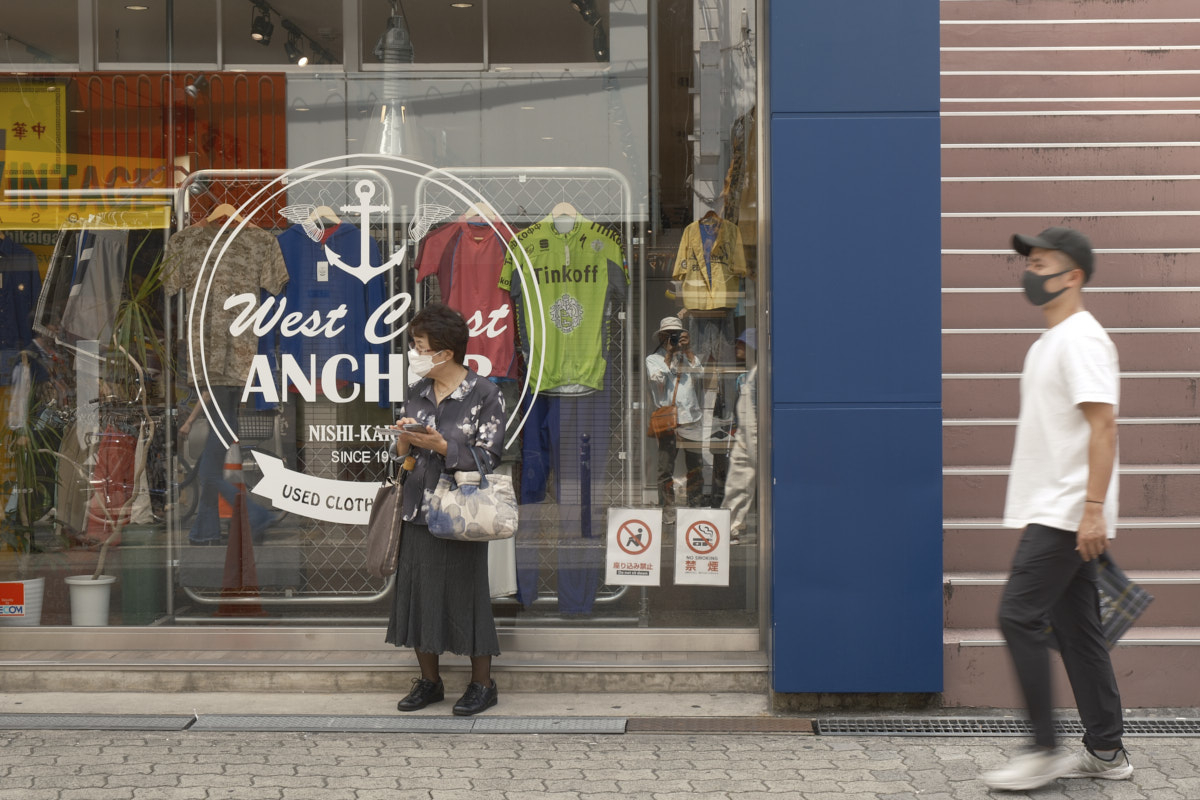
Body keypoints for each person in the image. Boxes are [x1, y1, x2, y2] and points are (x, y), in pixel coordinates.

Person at [981, 228, 1130, 791]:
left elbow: (1104, 426)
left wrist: (1092, 508)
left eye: (1042, 263)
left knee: (1017, 615)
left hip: (1066, 512)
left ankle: (1043, 750)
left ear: (1073, 276)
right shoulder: (1048, 343)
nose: (1031, 271)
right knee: (1079, 631)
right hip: (1059, 508)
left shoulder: (1083, 340)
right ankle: (1107, 751)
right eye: (1030, 263)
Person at [386, 303, 507, 717]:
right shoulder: (417, 392)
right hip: (417, 508)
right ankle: (430, 681)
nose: (414, 353)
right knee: (419, 593)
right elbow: (400, 458)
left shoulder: (485, 394)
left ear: (445, 352)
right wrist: (403, 441)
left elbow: (489, 457)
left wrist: (444, 447)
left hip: (461, 511)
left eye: (420, 347)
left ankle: (482, 683)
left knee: (466, 595)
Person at [645, 316, 704, 525]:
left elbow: (700, 374)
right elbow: (658, 380)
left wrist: (688, 350)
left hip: (691, 420)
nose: (673, 338)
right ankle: (667, 510)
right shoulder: (653, 359)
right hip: (668, 422)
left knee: (695, 467)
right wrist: (669, 354)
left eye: (676, 334)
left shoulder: (688, 357)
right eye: (669, 334)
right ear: (662, 336)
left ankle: (695, 509)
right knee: (665, 468)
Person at [724, 328, 757, 544]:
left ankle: (731, 528)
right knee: (737, 485)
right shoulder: (751, 373)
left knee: (740, 485)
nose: (737, 347)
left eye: (743, 344)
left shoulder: (760, 374)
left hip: (754, 440)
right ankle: (730, 529)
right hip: (746, 440)